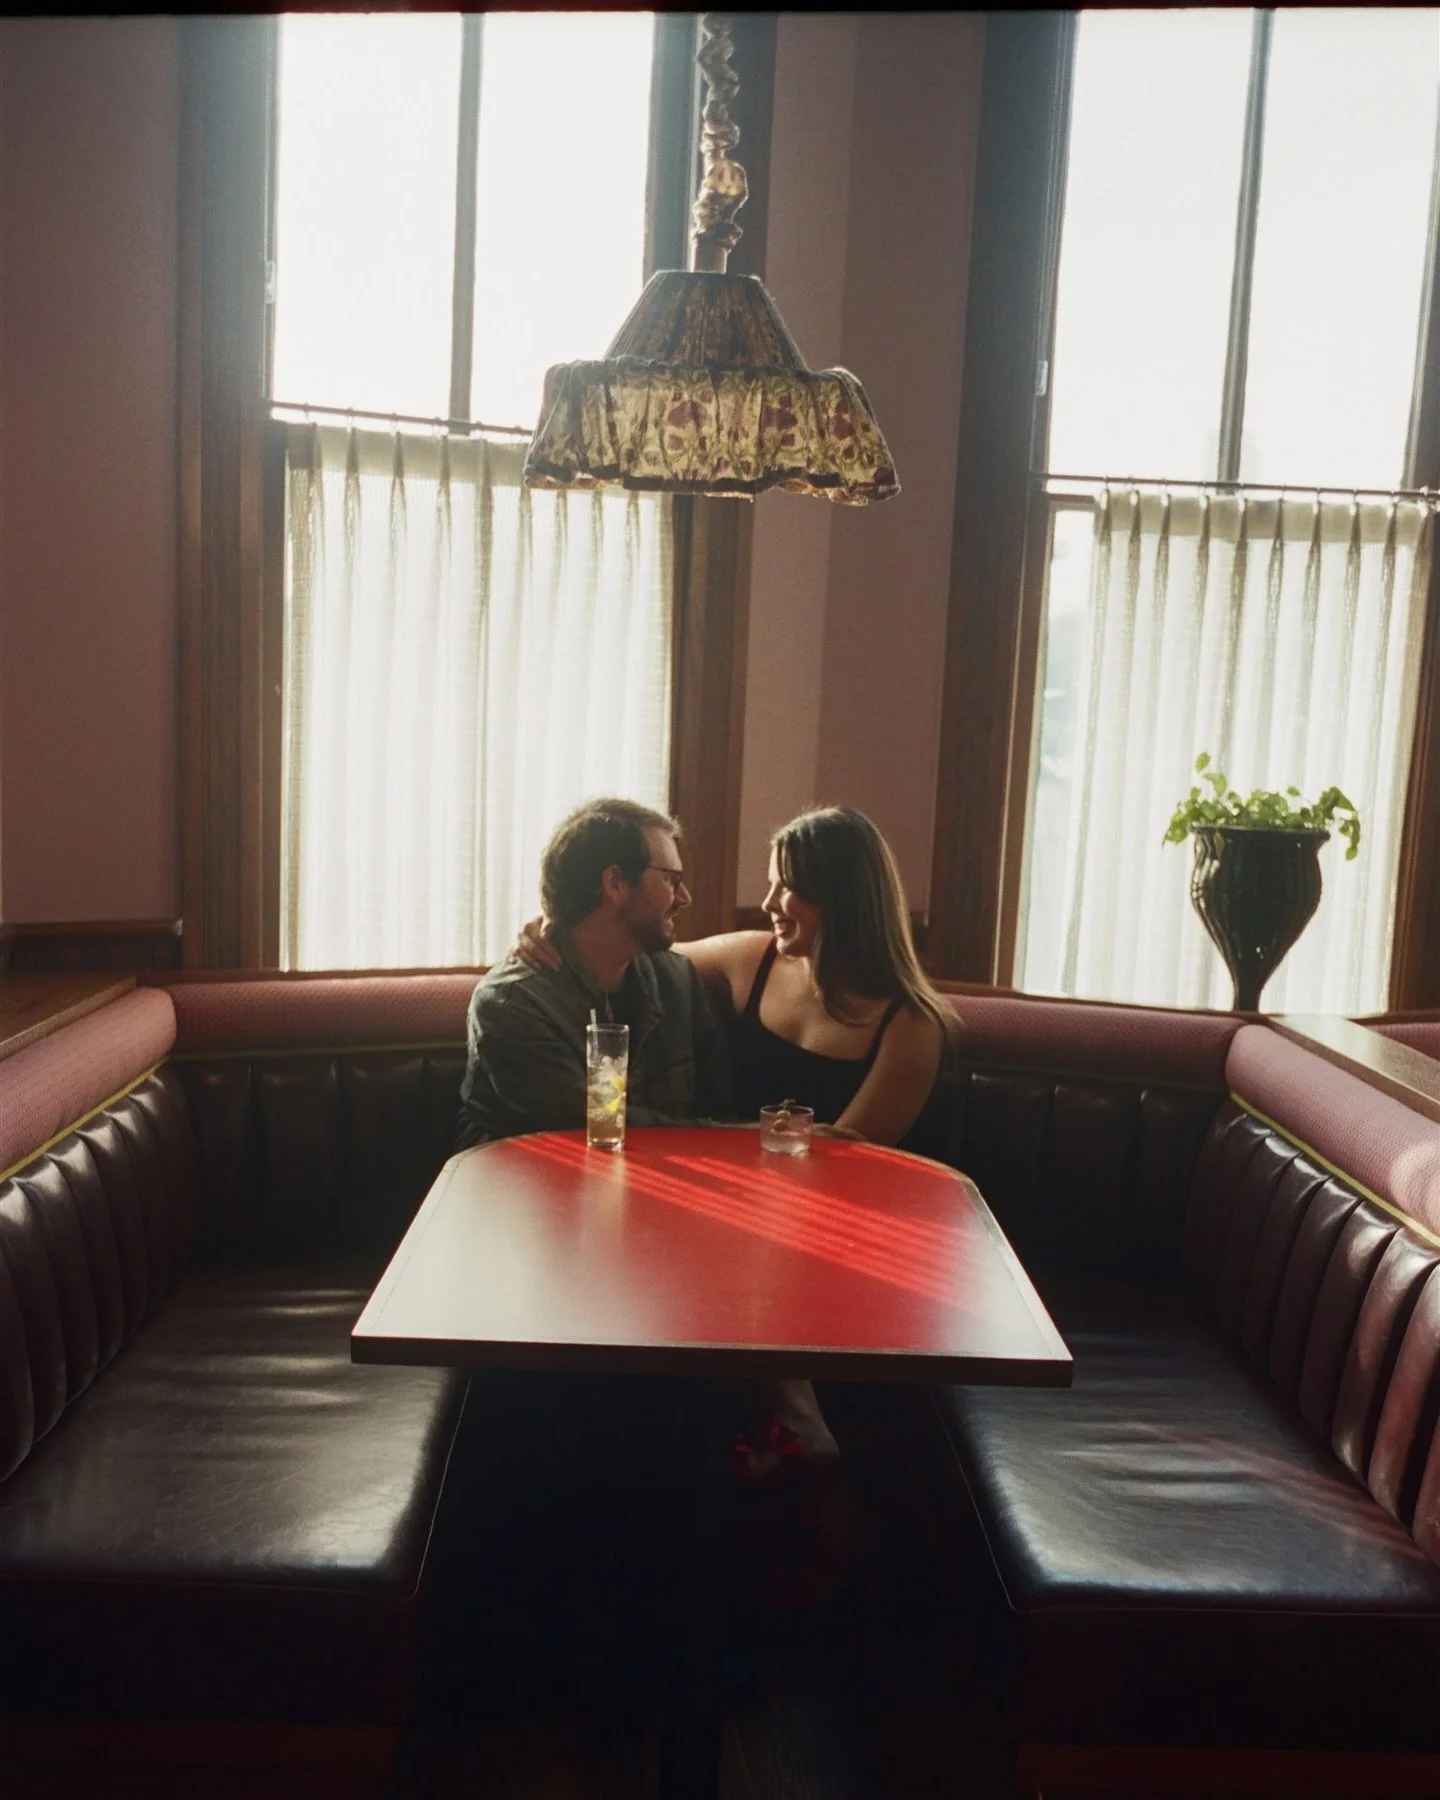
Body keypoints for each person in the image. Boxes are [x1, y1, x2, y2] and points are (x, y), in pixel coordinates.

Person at [516, 804, 954, 1157]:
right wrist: (550, 927)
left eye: (787, 888)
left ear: (844, 899)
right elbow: (614, 949)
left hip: (836, 1215)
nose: (768, 903)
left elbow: (842, 1157)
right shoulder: (751, 958)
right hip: (726, 1189)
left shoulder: (912, 1026)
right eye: (770, 884)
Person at [456, 796, 730, 1150]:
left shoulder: (677, 977)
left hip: (660, 1182)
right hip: (537, 1191)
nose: (685, 897)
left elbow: (722, 1110)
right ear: (615, 882)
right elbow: (585, 1131)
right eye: (671, 879)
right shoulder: (514, 1002)